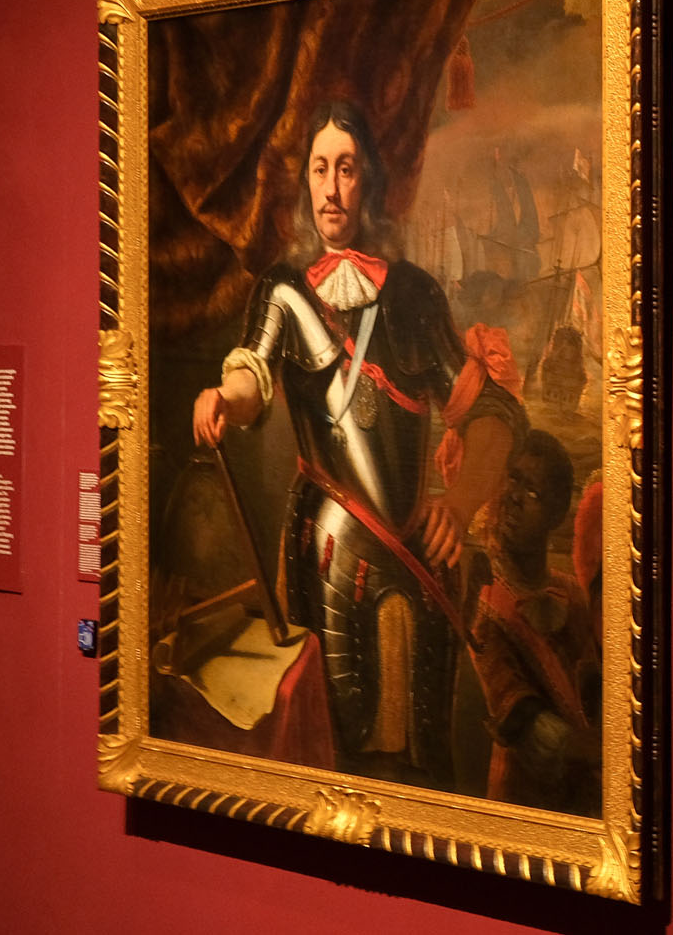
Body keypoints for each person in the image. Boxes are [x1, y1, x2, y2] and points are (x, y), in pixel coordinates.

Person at [192, 100, 525, 789]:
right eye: (320, 169)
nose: (332, 188)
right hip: (327, 551)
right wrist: (223, 397)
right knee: (335, 751)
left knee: (424, 757)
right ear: (306, 181)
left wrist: (460, 504)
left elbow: (492, 411)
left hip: (418, 555)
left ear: (367, 179)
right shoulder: (283, 291)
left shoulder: (414, 294)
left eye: (345, 168)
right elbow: (252, 374)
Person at [470, 430, 601, 812]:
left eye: (532, 492)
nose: (513, 497)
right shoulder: (482, 598)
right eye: (512, 479)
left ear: (555, 516)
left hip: (582, 798)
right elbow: (517, 713)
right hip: (521, 802)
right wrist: (597, 750)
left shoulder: (571, 594)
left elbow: (594, 683)